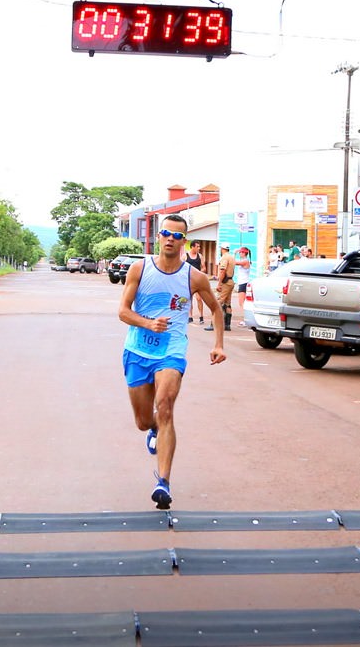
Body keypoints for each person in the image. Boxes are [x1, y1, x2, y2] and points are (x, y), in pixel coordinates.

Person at [119, 214, 226, 510]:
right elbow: (123, 311)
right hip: (138, 350)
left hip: (172, 351)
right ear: (159, 236)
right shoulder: (140, 269)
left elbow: (216, 310)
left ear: (184, 242)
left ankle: (163, 482)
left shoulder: (194, 277)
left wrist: (218, 344)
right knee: (143, 421)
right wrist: (148, 323)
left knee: (165, 406)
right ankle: (153, 428)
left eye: (177, 236)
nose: (170, 239)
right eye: (166, 233)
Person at [211, 245, 236, 331]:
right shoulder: (232, 257)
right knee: (228, 304)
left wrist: (219, 283)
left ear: (222, 249)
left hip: (225, 282)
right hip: (231, 281)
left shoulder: (224, 258)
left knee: (218, 302)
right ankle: (227, 325)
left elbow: (222, 271)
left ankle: (214, 324)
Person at [233, 247, 254, 326]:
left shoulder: (245, 261)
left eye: (241, 252)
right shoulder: (244, 260)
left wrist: (234, 253)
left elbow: (233, 262)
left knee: (242, 303)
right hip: (243, 283)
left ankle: (246, 320)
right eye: (240, 252)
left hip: (243, 283)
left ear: (245, 253)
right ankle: (246, 319)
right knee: (243, 303)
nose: (240, 253)